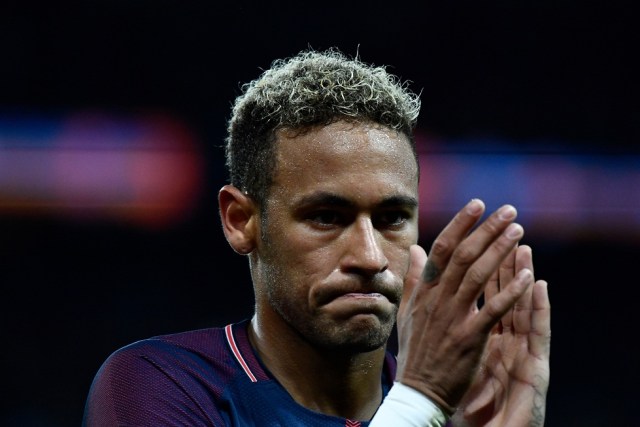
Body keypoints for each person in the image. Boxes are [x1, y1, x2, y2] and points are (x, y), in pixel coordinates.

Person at [82, 48, 551, 426]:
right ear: (240, 220)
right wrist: (418, 405)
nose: (370, 257)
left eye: (391, 218)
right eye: (327, 217)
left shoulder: (463, 410)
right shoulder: (157, 386)